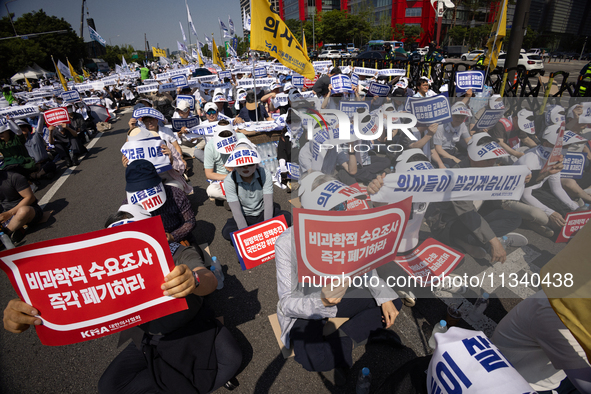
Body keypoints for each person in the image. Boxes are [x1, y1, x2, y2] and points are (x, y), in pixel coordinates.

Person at [4, 204, 243, 393]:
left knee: (232, 359)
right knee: (108, 387)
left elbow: (207, 278)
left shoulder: (178, 252)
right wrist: (29, 313)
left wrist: (193, 280)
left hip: (193, 327)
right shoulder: (105, 271)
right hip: (149, 338)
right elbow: (68, 296)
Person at [275, 171, 402, 381]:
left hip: (341, 296)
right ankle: (357, 337)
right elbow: (287, 302)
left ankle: (345, 338)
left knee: (392, 302)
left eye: (341, 205)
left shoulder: (348, 229)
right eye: (331, 209)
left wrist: (384, 297)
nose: (340, 214)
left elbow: (366, 267)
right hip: (309, 305)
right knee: (312, 359)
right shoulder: (286, 242)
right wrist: (321, 300)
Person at [425, 133, 528, 262]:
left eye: (494, 159)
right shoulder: (458, 178)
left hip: (476, 211)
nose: (492, 163)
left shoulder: (486, 166)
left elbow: (505, 178)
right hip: (449, 222)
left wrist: (522, 179)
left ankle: (481, 241)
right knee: (479, 235)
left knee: (515, 218)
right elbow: (468, 215)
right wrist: (495, 242)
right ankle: (486, 241)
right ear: (470, 157)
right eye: (487, 160)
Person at [492, 291, 591, 393]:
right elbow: (586, 385)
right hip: (525, 384)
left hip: (550, 373)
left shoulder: (572, 296)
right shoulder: (557, 320)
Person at [515, 123, 582, 231]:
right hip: (519, 195)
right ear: (546, 144)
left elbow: (557, 188)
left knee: (564, 209)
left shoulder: (553, 159)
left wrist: (575, 208)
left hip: (536, 191)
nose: (565, 149)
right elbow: (525, 195)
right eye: (562, 146)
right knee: (555, 219)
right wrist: (551, 213)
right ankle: (529, 221)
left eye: (566, 146)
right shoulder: (529, 161)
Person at [221, 140, 292, 241]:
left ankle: (257, 232)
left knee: (288, 217)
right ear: (235, 165)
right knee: (227, 232)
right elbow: (236, 211)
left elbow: (268, 202)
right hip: (245, 215)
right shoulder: (229, 180)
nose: (245, 167)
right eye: (241, 165)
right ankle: (256, 232)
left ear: (255, 163)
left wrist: (267, 228)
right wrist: (245, 234)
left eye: (250, 164)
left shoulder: (265, 174)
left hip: (262, 212)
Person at [125, 159, 196, 244]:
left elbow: (190, 221)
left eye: (148, 186)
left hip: (178, 241)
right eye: (139, 188)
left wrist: (174, 236)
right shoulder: (127, 205)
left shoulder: (175, 194)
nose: (144, 191)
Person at [204, 122, 247, 202]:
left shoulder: (241, 137)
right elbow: (209, 174)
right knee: (211, 191)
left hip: (242, 173)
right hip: (222, 178)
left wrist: (236, 169)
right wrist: (230, 176)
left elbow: (252, 162)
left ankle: (233, 199)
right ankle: (239, 199)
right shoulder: (210, 146)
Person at [0, 167, 44, 243]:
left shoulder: (14, 177)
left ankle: (5, 234)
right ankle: (14, 231)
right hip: (5, 216)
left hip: (27, 210)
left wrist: (9, 213)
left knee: (23, 211)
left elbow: (30, 198)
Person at [433, 102, 472, 167]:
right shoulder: (441, 126)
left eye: (462, 117)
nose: (459, 119)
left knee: (469, 159)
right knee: (457, 165)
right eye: (457, 116)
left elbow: (468, 140)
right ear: (450, 115)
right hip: (442, 153)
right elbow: (438, 149)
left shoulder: (462, 125)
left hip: (453, 150)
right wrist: (454, 159)